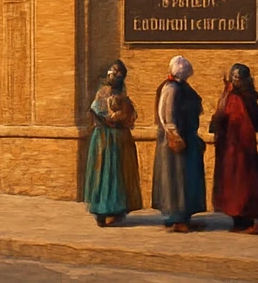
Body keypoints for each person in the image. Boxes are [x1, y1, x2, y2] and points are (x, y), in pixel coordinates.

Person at [83, 60, 143, 226]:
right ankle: (104, 209)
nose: (114, 75)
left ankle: (114, 210)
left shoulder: (121, 93)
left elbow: (130, 115)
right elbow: (98, 112)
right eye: (113, 71)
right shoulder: (104, 92)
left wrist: (123, 116)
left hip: (118, 138)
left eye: (118, 73)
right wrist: (111, 118)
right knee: (106, 172)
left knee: (116, 173)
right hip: (105, 138)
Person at [210, 63, 258, 233]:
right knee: (235, 183)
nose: (236, 81)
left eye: (239, 78)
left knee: (244, 183)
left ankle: (246, 218)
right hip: (233, 148)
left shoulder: (245, 96)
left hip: (241, 148)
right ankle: (239, 218)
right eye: (234, 78)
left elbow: (254, 121)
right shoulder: (231, 97)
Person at [152, 55, 206, 232]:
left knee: (186, 178)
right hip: (176, 142)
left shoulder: (183, 87)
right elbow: (166, 114)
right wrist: (174, 135)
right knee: (175, 178)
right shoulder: (171, 88)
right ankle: (176, 217)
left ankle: (184, 216)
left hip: (188, 139)